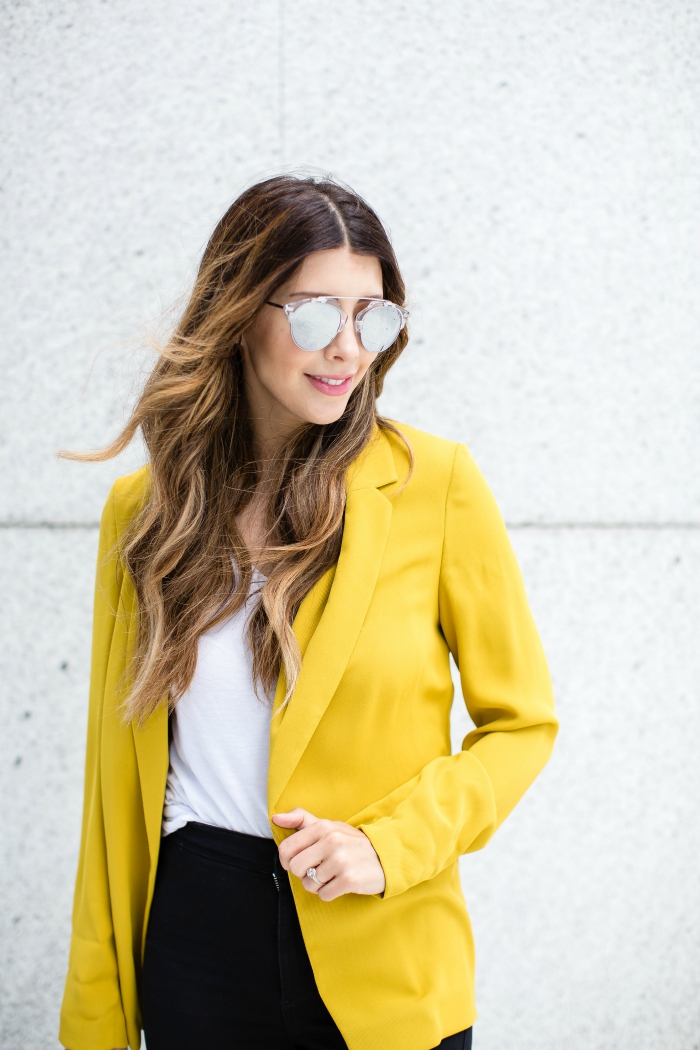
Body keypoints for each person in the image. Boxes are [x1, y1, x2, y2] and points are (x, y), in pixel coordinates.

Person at [58, 174, 558, 1050]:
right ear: (241, 311)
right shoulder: (145, 515)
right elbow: (113, 793)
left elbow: (523, 727)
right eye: (318, 313)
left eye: (374, 315)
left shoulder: (434, 487)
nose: (349, 349)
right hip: (194, 937)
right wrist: (95, 1022)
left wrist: (390, 843)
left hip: (382, 935)